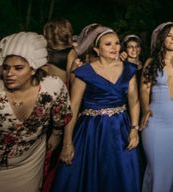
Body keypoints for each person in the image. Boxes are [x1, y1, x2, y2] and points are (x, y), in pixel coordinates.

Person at [53, 24, 141, 192]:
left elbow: (134, 101)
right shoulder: (84, 72)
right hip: (91, 130)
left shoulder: (129, 69)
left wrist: (134, 129)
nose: (114, 47)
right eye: (108, 44)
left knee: (121, 174)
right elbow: (73, 107)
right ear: (96, 49)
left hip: (120, 128)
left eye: (116, 43)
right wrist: (67, 142)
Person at [0, 32, 72, 192]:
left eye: (18, 68)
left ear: (33, 69)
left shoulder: (52, 87)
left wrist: (56, 137)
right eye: (5, 68)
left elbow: (62, 117)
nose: (9, 74)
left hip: (29, 165)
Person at [140, 22, 173, 192]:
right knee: (156, 166)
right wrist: (145, 109)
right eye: (169, 35)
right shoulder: (151, 62)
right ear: (161, 39)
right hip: (157, 121)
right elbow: (144, 88)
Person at [42, 19, 75, 84]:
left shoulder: (42, 49)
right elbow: (70, 78)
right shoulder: (70, 52)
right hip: (59, 89)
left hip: (42, 87)